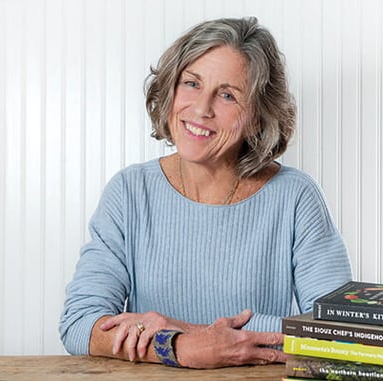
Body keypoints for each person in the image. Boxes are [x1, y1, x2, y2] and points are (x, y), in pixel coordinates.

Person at [59, 16, 352, 369]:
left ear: (258, 116)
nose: (201, 109)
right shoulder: (129, 192)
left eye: (227, 94)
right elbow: (79, 325)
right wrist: (179, 347)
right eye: (191, 83)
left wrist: (185, 330)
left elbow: (340, 336)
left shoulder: (295, 197)